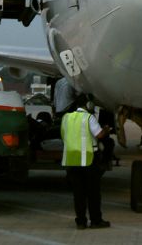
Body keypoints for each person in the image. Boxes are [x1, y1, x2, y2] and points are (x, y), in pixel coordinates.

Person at [61, 93, 111, 230]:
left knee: (78, 194)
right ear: (88, 105)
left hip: (71, 161)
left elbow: (63, 135)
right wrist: (106, 130)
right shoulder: (89, 118)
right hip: (88, 160)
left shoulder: (66, 118)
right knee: (93, 193)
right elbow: (99, 135)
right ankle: (96, 221)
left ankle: (81, 222)